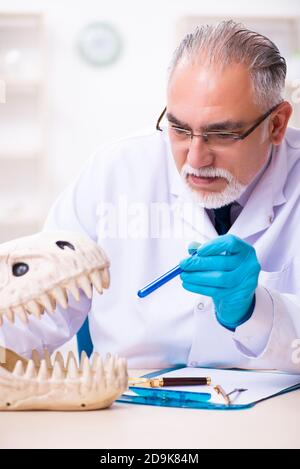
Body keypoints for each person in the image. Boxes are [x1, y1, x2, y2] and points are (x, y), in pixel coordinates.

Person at [1, 20, 300, 372]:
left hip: (275, 417)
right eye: (178, 128)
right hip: (128, 409)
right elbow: (36, 309)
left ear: (277, 124)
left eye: (221, 134)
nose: (195, 159)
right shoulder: (115, 170)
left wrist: (254, 310)